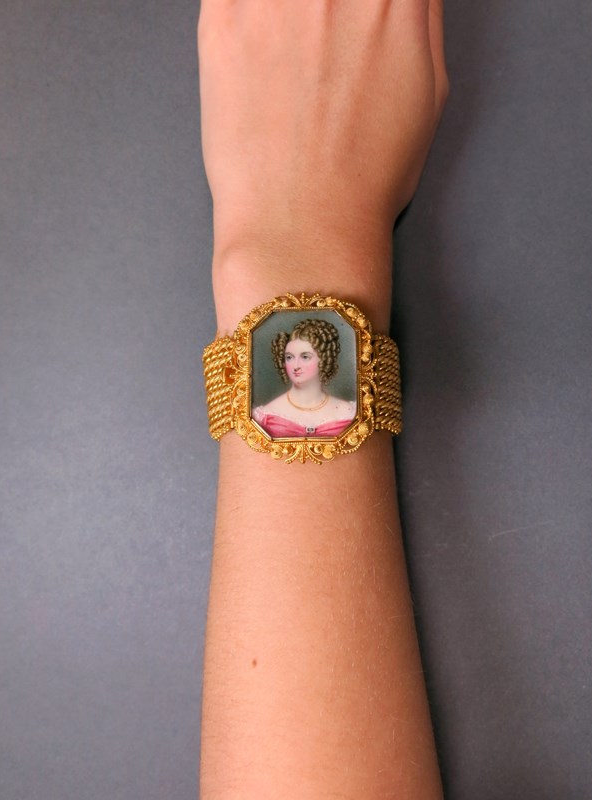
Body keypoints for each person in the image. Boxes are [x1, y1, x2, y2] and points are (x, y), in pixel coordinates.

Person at [198, 1, 448, 797]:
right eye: (294, 353)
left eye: (310, 351)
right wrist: (303, 230)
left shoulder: (308, 395)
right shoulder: (278, 401)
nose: (301, 361)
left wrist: (287, 234)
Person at [252, 317, 357, 438]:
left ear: (324, 359)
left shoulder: (349, 412)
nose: (296, 366)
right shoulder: (264, 415)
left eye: (305, 357)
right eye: (289, 357)